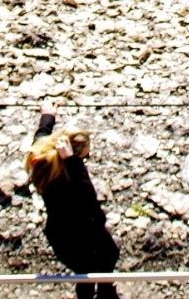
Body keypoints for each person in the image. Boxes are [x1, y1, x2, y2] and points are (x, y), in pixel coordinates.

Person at [25, 104, 119, 299]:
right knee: (94, 264)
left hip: (60, 234)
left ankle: (103, 293)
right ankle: (103, 295)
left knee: (101, 259)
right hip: (77, 234)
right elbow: (88, 196)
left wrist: (47, 116)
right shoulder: (67, 182)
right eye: (84, 157)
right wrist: (73, 162)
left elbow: (41, 136)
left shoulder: (42, 160)